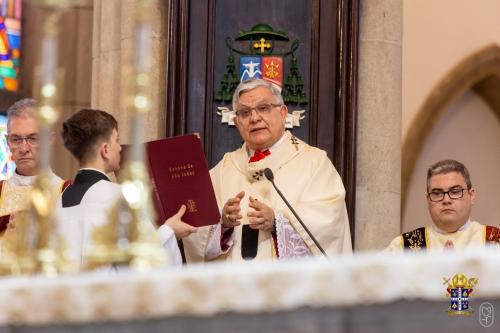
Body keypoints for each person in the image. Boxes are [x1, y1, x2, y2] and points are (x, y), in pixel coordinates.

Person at [184, 78, 352, 262]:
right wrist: (223, 225)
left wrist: (277, 223)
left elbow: (330, 225)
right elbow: (194, 234)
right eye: (245, 112)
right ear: (237, 122)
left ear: (283, 113)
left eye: (263, 108)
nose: (254, 118)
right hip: (235, 287)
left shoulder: (315, 163)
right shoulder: (223, 170)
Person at [54, 109, 196, 268]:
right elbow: (140, 261)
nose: (120, 147)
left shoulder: (60, 200)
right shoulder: (119, 197)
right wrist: (170, 231)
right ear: (105, 149)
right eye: (117, 140)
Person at [385, 159, 500, 252]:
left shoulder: (494, 241)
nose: (446, 200)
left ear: (471, 196)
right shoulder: (405, 247)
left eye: (455, 192)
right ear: (428, 200)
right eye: (437, 193)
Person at [0, 98, 69, 235]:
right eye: (16, 139)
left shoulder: (67, 191)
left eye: (33, 138)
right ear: (8, 142)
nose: (24, 148)